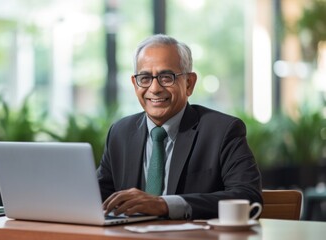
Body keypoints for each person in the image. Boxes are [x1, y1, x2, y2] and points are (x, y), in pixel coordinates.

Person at [97, 34, 262, 220]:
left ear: (189, 83)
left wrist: (164, 205)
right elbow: (95, 198)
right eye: (144, 78)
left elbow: (248, 197)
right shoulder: (120, 133)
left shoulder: (223, 131)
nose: (155, 88)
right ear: (135, 84)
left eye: (166, 77)